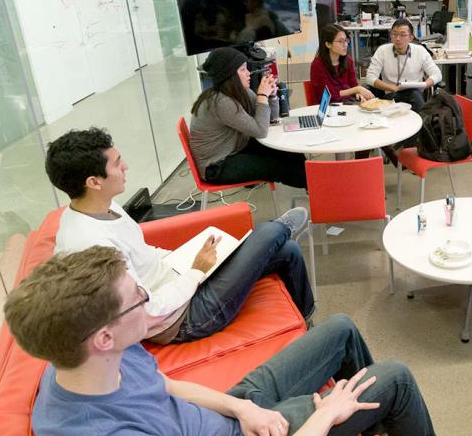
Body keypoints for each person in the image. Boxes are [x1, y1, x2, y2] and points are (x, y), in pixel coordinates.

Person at [8, 247, 472, 436]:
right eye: (136, 299)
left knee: (340, 327)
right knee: (397, 378)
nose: (147, 299)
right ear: (104, 336)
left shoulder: (83, 359)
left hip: (235, 415)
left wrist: (242, 409)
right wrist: (324, 416)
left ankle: (373, 422)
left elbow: (164, 386)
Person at [45, 127, 314, 345]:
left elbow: (144, 255)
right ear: (94, 182)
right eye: (117, 164)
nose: (126, 166)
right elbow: (146, 312)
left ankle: (306, 318)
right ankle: (279, 229)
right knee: (269, 232)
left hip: (179, 284)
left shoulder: (106, 205)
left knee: (286, 251)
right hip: (182, 320)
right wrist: (196, 272)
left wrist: (185, 260)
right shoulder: (90, 245)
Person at [189, 47, 306, 189]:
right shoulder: (222, 101)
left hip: (235, 148)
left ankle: (314, 187)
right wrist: (262, 96)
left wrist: (272, 95)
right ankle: (317, 189)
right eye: (243, 69)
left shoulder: (241, 91)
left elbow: (270, 119)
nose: (249, 73)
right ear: (229, 74)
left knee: (289, 151)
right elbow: (260, 131)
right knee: (275, 166)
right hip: (216, 166)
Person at [363, 19, 442, 112]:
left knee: (415, 96)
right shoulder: (382, 51)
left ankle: (422, 124)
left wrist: (425, 84)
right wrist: (391, 87)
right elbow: (370, 77)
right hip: (391, 94)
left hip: (415, 94)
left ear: (411, 37)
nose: (397, 38)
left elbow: (437, 74)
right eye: (394, 34)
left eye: (402, 35)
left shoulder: (420, 51)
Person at [310, 24, 375, 104]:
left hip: (347, 104)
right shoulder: (317, 65)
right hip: (327, 108)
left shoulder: (348, 61)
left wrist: (358, 93)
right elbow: (330, 95)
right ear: (328, 44)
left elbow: (353, 84)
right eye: (340, 41)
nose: (345, 45)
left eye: (346, 40)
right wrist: (357, 89)